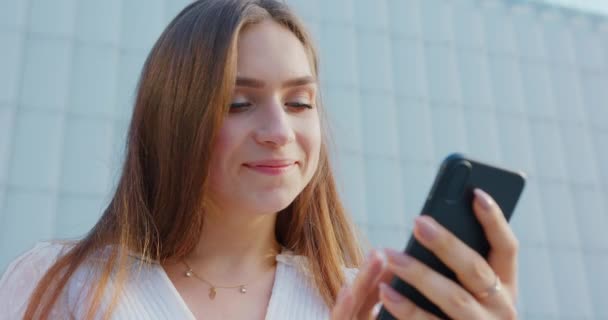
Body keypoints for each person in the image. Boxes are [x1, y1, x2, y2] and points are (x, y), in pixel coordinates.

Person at [0, 0, 519, 319]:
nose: (278, 132)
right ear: (173, 118)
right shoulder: (62, 286)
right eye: (238, 103)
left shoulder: (365, 301)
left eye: (299, 103)